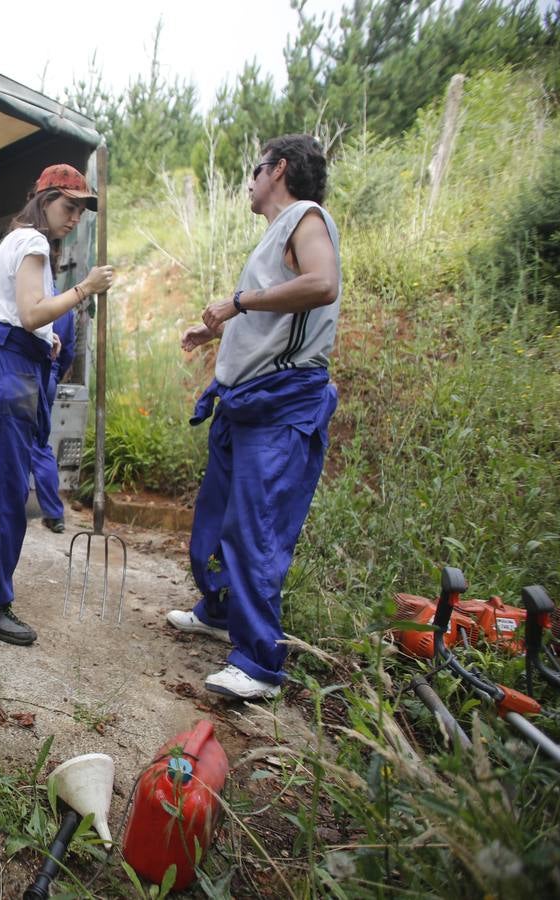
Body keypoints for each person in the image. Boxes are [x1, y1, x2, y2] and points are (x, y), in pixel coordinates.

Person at [167, 134, 341, 701]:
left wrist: (237, 303)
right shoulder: (275, 233)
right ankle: (219, 610)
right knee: (215, 522)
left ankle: (261, 662)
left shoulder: (305, 218)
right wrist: (217, 327)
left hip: (282, 404)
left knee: (255, 529)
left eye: (255, 169)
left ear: (279, 169)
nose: (249, 179)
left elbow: (321, 284)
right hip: (243, 403)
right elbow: (276, 309)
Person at [0, 164, 114, 645]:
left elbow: (7, 311)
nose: (75, 217)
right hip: (7, 368)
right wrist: (85, 289)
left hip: (2, 362)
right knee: (7, 491)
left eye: (81, 209)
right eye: (69, 206)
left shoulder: (16, 240)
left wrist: (48, 341)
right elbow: (30, 314)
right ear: (44, 198)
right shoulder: (33, 243)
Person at [32, 309, 77, 533]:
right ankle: (54, 514)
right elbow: (68, 351)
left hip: (25, 373)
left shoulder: (27, 296)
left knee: (15, 442)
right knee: (39, 444)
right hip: (49, 376)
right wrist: (54, 375)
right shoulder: (64, 307)